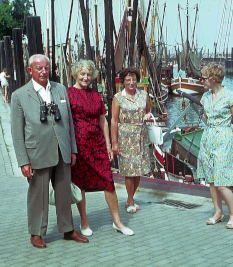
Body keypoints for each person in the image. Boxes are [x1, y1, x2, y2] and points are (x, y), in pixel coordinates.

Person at [11, 54, 89, 249]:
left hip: (62, 151)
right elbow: (16, 132)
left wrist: (72, 150)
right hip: (37, 153)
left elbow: (69, 122)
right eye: (39, 68)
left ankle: (68, 229)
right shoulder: (19, 95)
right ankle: (36, 232)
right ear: (30, 70)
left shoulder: (60, 89)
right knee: (38, 194)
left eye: (46, 68)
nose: (43, 71)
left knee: (64, 192)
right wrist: (23, 161)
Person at [68, 60, 133, 236]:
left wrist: (108, 145)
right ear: (75, 74)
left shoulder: (96, 95)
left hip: (97, 144)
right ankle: (83, 220)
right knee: (80, 183)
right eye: (82, 74)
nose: (86, 77)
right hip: (79, 146)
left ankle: (117, 222)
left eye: (89, 74)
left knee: (108, 181)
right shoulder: (68, 94)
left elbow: (103, 120)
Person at [197, 62, 233, 229]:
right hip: (208, 139)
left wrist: (228, 138)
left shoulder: (230, 96)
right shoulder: (206, 97)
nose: (201, 80)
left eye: (204, 78)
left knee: (222, 181)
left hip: (223, 140)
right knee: (211, 179)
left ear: (213, 79)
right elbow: (206, 117)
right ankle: (218, 212)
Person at [111, 68, 152, 213]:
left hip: (141, 135)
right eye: (128, 80)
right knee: (129, 170)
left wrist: (148, 116)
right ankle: (130, 201)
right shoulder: (118, 98)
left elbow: (148, 111)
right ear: (123, 82)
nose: (131, 82)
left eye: (134, 79)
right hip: (126, 136)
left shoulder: (144, 95)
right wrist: (114, 142)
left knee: (138, 169)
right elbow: (114, 120)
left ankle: (130, 198)